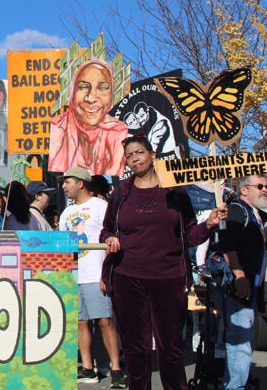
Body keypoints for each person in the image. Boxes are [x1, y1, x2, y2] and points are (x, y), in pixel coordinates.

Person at [100, 136, 227, 390]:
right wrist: (111, 237)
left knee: (170, 349)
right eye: (130, 155)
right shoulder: (121, 192)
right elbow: (105, 231)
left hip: (169, 279)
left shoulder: (175, 190)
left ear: (152, 154)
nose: (135, 159)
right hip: (128, 279)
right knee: (136, 350)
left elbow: (189, 235)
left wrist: (209, 224)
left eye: (140, 153)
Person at [57, 167, 124, 387]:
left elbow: (111, 237)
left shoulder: (101, 206)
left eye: (67, 182)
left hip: (96, 274)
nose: (64, 186)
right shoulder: (67, 213)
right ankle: (88, 367)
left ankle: (116, 369)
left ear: (80, 183)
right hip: (74, 275)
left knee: (104, 320)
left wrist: (106, 273)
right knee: (80, 322)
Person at [217, 174, 267, 389]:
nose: (265, 189)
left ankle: (234, 384)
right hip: (239, 288)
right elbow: (226, 243)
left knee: (244, 342)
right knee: (241, 343)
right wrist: (239, 276)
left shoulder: (256, 215)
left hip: (251, 288)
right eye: (260, 186)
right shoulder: (238, 210)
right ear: (244, 190)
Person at [49, 59, 128, 176]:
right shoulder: (59, 126)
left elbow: (115, 171)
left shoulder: (118, 130)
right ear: (72, 92)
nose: (90, 98)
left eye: (102, 88)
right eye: (83, 87)